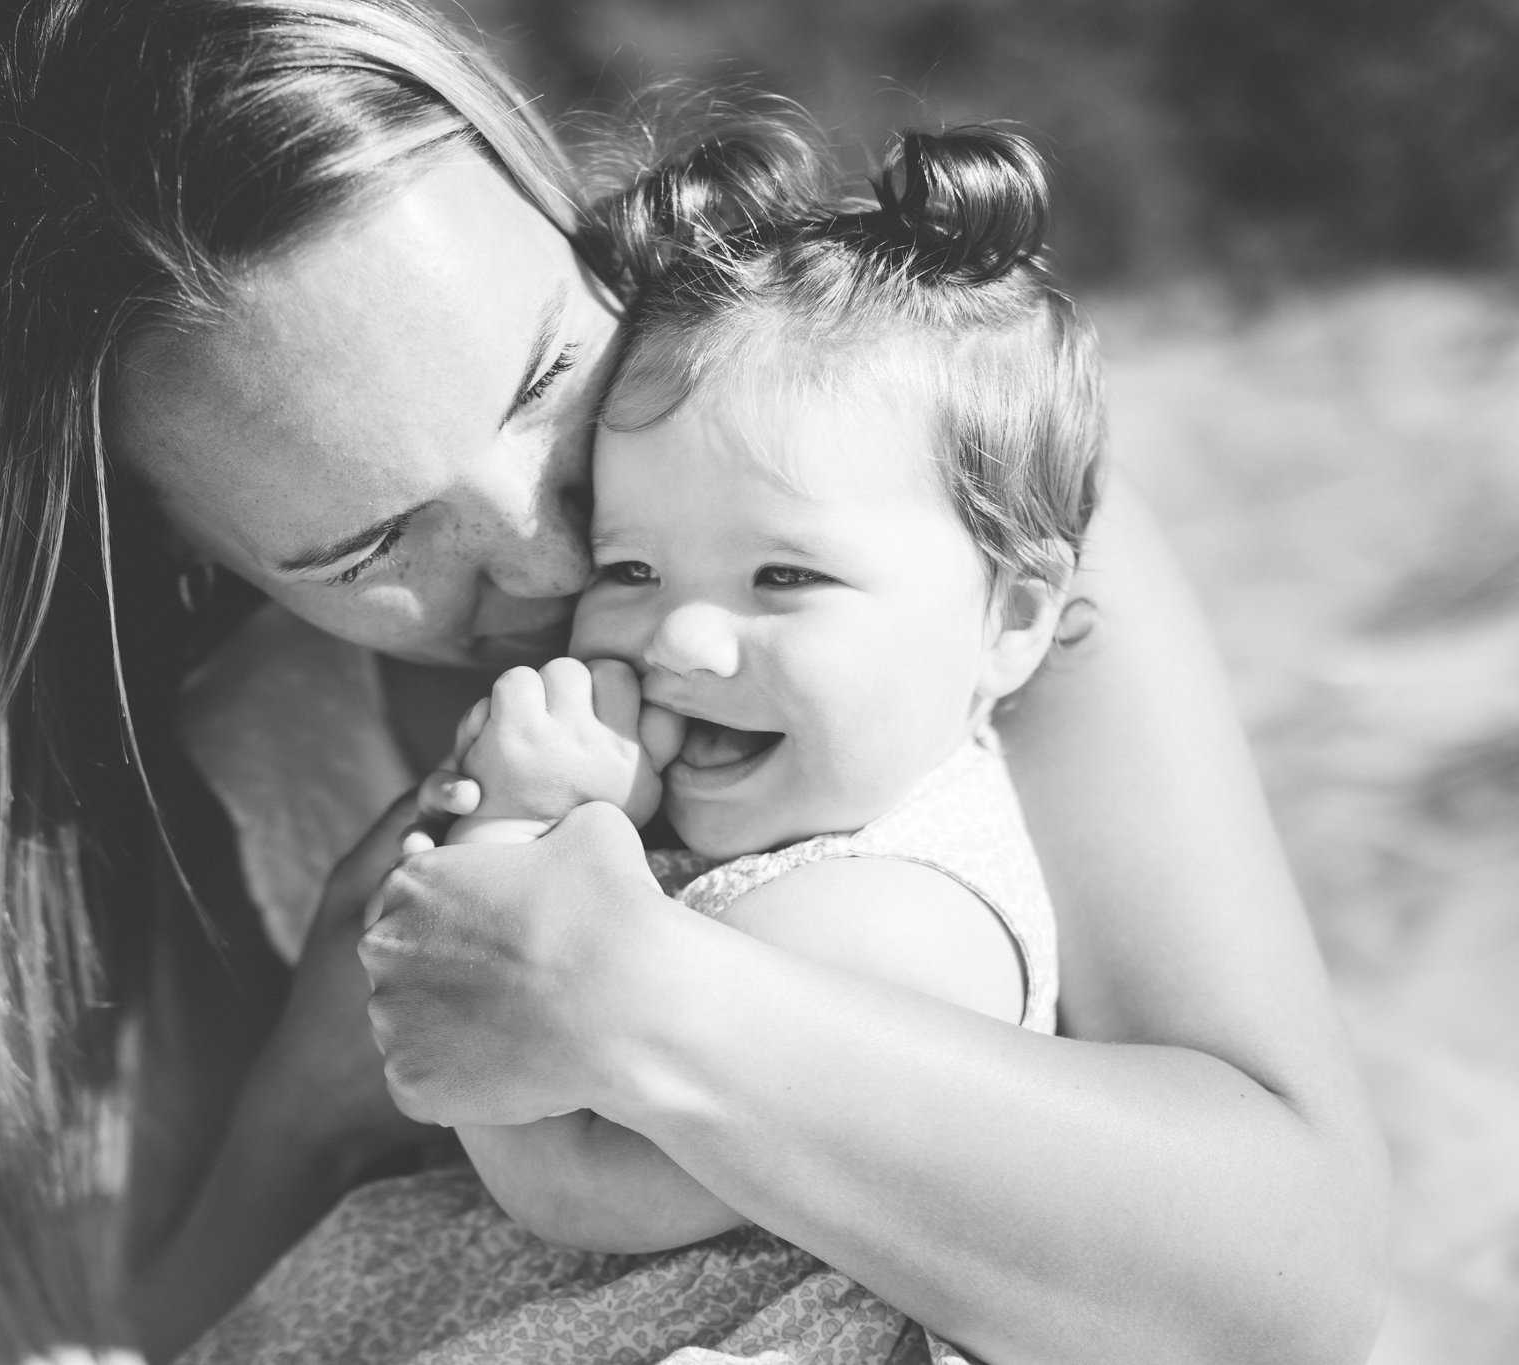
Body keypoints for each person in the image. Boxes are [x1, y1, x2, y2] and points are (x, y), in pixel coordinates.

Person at [0, 2, 1387, 1363]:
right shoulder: (224, 747)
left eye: (546, 376)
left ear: (552, 200)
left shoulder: (918, 513)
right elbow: (151, 1320)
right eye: (372, 541)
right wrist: (311, 1095)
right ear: (191, 563)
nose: (544, 552)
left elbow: (1294, 1285)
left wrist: (640, 1006)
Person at [174, 121, 1093, 1365]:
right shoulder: (813, 822)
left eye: (782, 575)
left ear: (1012, 622)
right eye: (635, 566)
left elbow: (588, 1191)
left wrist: (505, 852)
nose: (684, 641)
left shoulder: (882, 924)